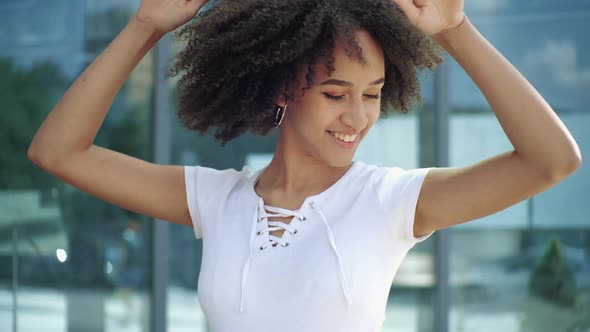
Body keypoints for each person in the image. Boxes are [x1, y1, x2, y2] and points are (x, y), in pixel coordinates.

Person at [28, 0, 582, 330]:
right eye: (336, 93)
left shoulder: (392, 202)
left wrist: (456, 32)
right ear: (284, 88)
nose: (359, 117)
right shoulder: (217, 200)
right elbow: (58, 151)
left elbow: (551, 161)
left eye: (373, 93)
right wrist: (144, 26)